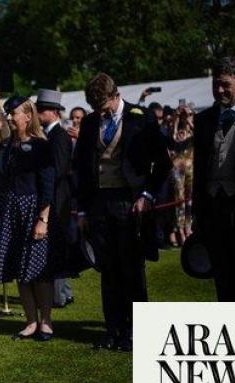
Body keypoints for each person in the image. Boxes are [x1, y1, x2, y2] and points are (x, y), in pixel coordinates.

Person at [74, 73, 171, 351]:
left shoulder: (141, 117)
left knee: (131, 269)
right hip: (99, 204)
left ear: (116, 95)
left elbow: (162, 163)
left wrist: (147, 194)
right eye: (96, 108)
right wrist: (81, 210)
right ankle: (112, 329)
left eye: (104, 107)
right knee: (108, 269)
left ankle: (135, 331)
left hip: (129, 203)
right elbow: (81, 167)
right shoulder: (91, 122)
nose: (101, 113)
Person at [0, 96, 57, 341]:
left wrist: (43, 219)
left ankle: (46, 321)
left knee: (37, 270)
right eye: (8, 113)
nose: (10, 117)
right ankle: (30, 321)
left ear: (28, 116)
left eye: (14, 113)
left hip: (33, 209)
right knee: (19, 269)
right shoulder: (6, 145)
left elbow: (47, 185)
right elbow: (0, 181)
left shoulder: (41, 146)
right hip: (10, 210)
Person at [192, 56, 235, 301]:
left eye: (225, 84)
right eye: (215, 84)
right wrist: (197, 213)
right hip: (213, 209)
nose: (219, 90)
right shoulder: (203, 120)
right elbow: (199, 170)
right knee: (222, 277)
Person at [36, 89, 74, 308]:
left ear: (54, 112)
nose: (39, 114)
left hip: (58, 201)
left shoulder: (58, 137)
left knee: (55, 247)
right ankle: (64, 292)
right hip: (56, 198)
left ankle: (58, 295)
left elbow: (59, 170)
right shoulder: (51, 135)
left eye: (42, 110)